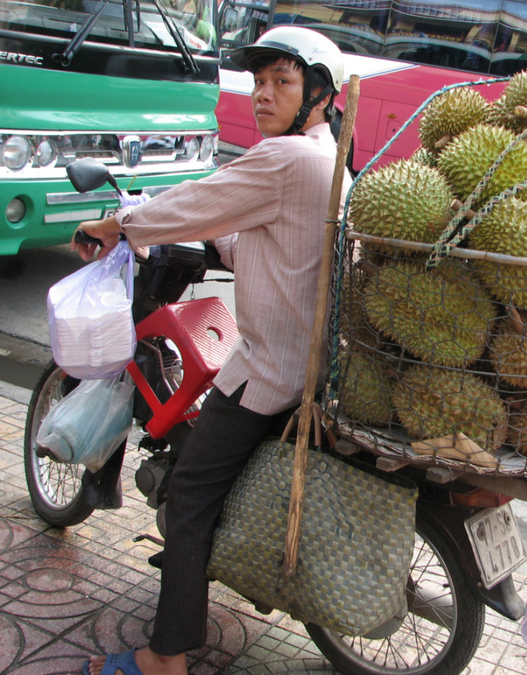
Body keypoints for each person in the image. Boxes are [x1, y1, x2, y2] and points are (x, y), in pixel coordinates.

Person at [74, 26, 350, 675]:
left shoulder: (286, 159)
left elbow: (195, 201)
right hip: (310, 359)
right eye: (258, 81)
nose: (262, 94)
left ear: (319, 93)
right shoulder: (325, 155)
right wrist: (221, 245)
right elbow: (275, 239)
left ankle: (166, 654)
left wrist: (115, 225)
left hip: (271, 370)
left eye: (282, 81)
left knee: (188, 497)